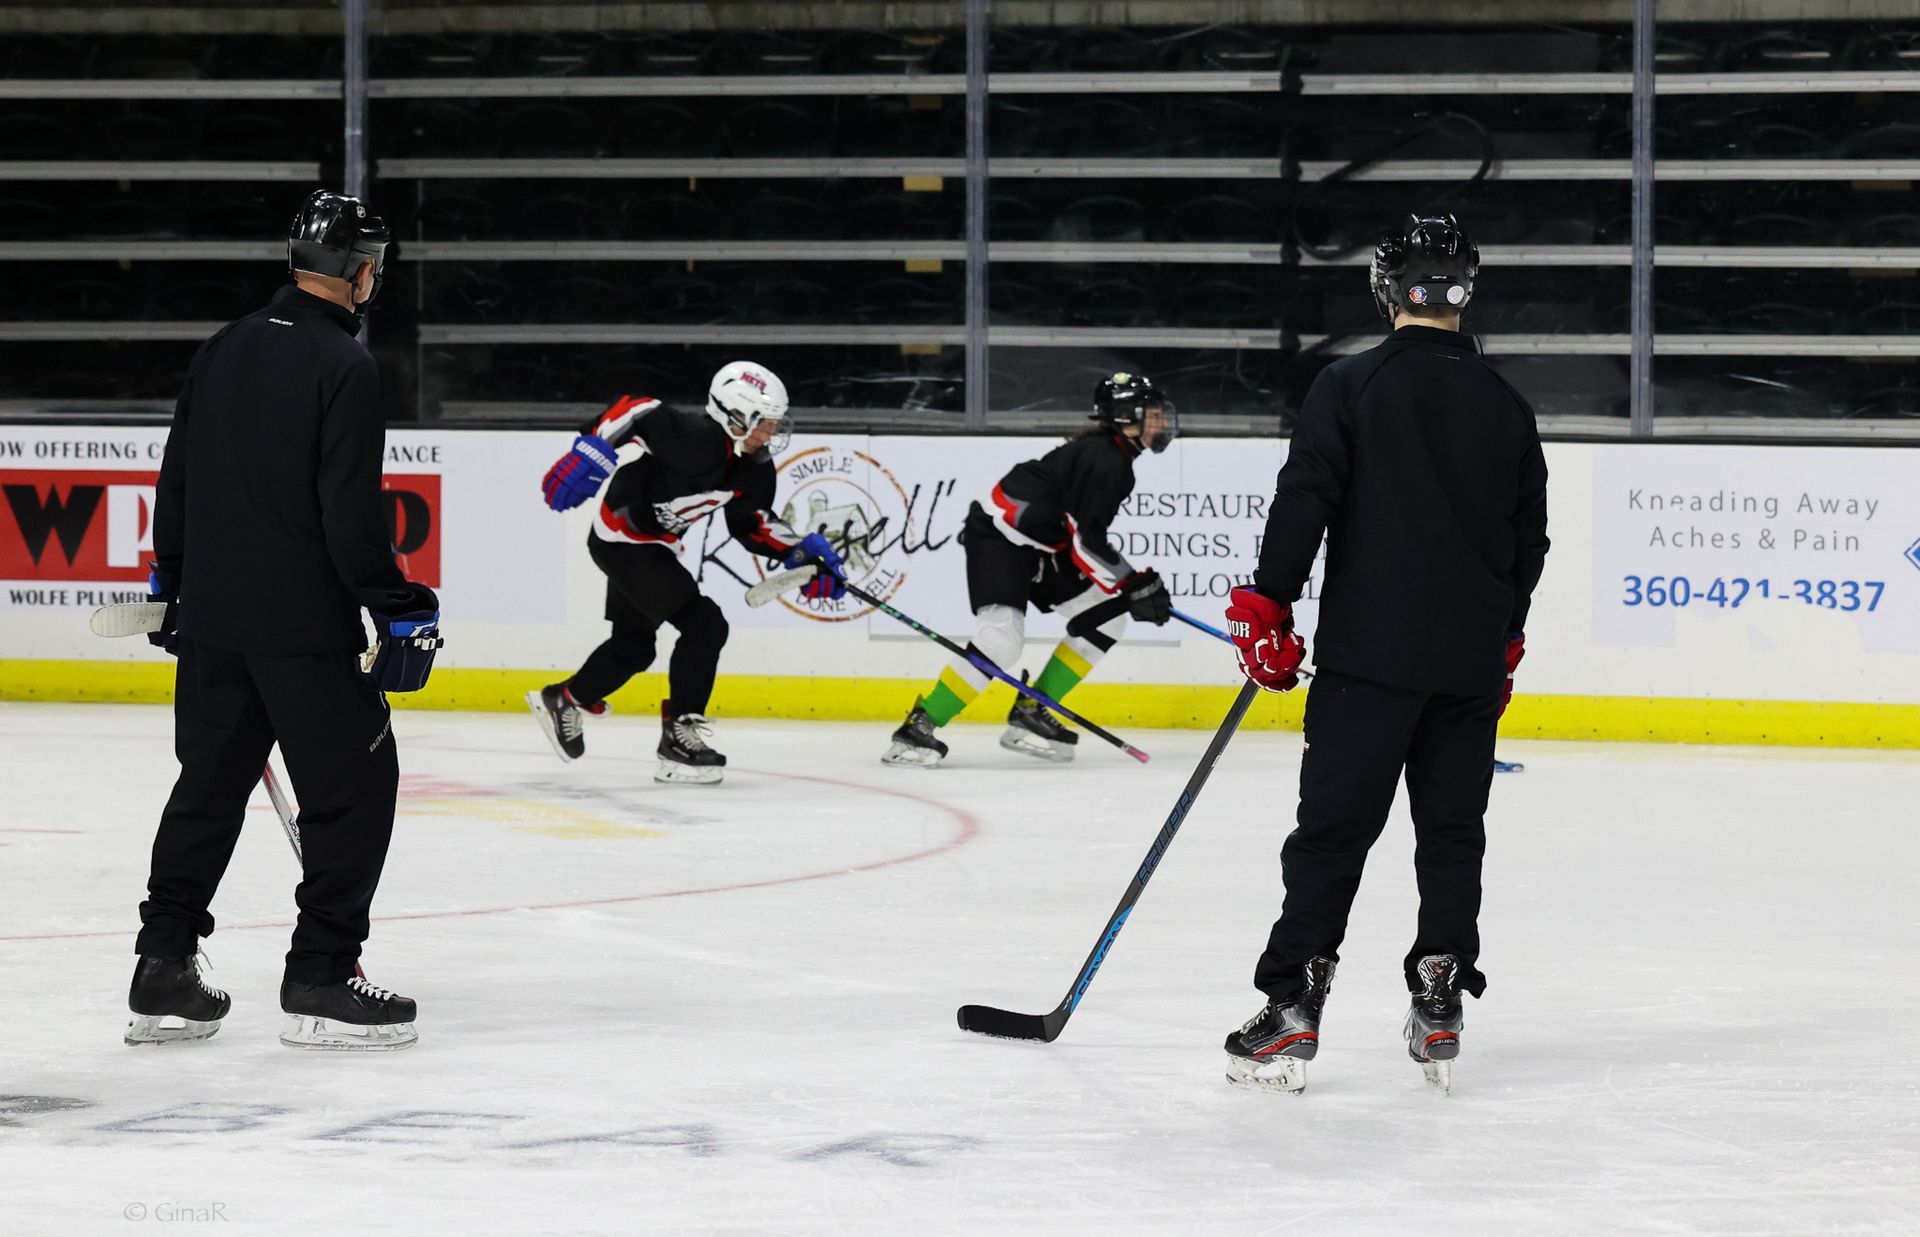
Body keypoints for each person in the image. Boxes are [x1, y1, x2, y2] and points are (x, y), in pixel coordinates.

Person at [1221, 214, 1549, 1093]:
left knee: (1331, 837)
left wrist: (1268, 606)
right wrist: (1505, 636)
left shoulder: (1352, 384)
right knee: (1452, 833)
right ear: (1463, 292)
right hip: (1468, 665)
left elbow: (1306, 499)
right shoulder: (1507, 404)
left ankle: (1291, 1007)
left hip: (1371, 659)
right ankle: (1440, 990)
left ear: (1386, 287)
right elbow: (1531, 541)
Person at [129, 189, 439, 1052]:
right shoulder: (345, 366)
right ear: (365, 272)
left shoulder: (224, 347)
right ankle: (322, 973)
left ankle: (163, 968)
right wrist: (401, 608)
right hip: (304, 629)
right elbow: (350, 517)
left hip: (217, 623)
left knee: (208, 786)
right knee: (355, 789)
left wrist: (176, 584)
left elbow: (177, 480)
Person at [528, 361, 845, 784]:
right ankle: (679, 738)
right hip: (623, 539)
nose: (770, 435)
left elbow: (750, 524)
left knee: (635, 648)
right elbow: (639, 409)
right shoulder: (695, 438)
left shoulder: (755, 469)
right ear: (733, 415)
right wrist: (592, 446)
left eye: (774, 425)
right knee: (705, 625)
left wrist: (801, 550)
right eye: (763, 424)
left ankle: (565, 699)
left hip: (656, 545)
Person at [882, 372, 1178, 767]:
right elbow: (1087, 541)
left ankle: (1032, 710)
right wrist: (1131, 582)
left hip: (1042, 547)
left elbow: (1078, 537)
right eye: (1153, 415)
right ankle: (920, 725)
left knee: (1106, 622)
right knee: (1002, 640)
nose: (1161, 424)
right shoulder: (1108, 461)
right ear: (1126, 416)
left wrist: (1129, 587)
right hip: (998, 538)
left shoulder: (1114, 459)